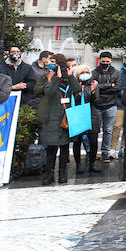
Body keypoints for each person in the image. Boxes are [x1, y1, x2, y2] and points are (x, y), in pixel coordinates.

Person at [32, 53, 78, 185]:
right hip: (51, 116)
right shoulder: (48, 76)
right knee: (51, 148)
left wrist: (70, 77)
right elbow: (49, 92)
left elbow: (77, 91)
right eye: (50, 61)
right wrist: (54, 79)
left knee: (64, 148)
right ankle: (49, 174)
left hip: (66, 117)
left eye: (54, 62)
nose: (51, 63)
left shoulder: (69, 78)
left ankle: (62, 173)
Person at [91, 52, 121, 162]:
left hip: (111, 104)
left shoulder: (116, 73)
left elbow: (117, 87)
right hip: (97, 104)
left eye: (107, 62)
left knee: (108, 130)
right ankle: (92, 152)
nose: (105, 63)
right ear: (99, 60)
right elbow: (93, 87)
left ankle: (105, 152)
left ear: (111, 61)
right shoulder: (94, 72)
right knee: (94, 130)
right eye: (103, 61)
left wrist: (100, 86)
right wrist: (109, 85)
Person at [72, 64, 101, 174]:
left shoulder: (93, 84)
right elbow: (75, 99)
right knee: (77, 141)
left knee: (93, 141)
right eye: (82, 72)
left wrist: (93, 91)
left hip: (91, 114)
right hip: (78, 114)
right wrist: (81, 92)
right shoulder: (74, 85)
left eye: (86, 72)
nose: (85, 74)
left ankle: (92, 163)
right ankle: (78, 164)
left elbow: (96, 100)